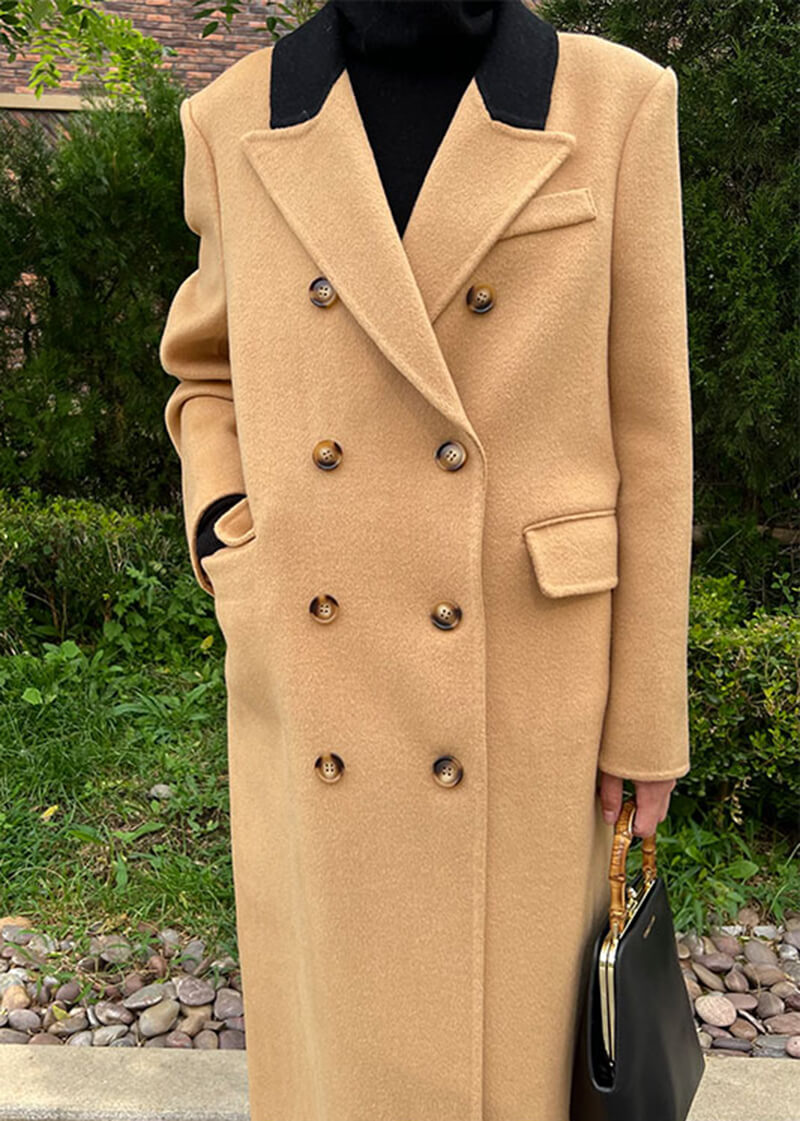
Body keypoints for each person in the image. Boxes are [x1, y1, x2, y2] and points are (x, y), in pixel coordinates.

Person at [159, 1, 693, 1117]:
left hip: (531, 686)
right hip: (318, 666)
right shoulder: (235, 118)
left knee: (513, 1054)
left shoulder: (617, 104)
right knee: (343, 1049)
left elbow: (651, 435)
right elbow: (205, 372)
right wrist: (226, 529)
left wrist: (647, 718)